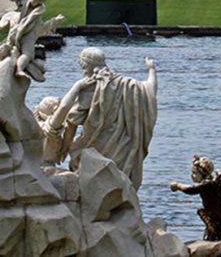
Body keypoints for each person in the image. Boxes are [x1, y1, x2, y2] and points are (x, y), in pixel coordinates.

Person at [45, 47, 158, 188]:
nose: (83, 72)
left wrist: (65, 148)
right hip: (124, 153)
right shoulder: (129, 85)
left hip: (94, 153)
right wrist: (152, 70)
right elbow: (150, 90)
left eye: (83, 67)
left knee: (79, 169)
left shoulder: (91, 87)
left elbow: (72, 121)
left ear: (87, 65)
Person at [170, 155, 221, 241]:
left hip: (216, 217)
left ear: (202, 173)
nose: (192, 176)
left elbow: (191, 189)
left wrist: (178, 186)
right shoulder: (213, 184)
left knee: (202, 214)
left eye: (194, 173)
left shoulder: (207, 185)